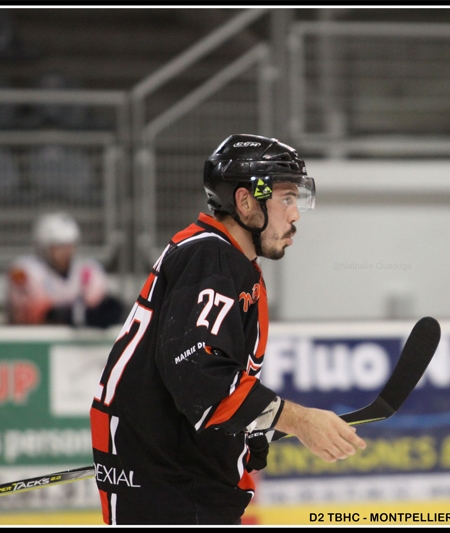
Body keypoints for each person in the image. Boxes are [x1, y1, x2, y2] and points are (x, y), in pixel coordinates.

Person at [89, 134, 366, 525]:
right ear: (245, 201)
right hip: (172, 489)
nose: (295, 215)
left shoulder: (221, 259)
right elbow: (198, 373)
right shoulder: (211, 258)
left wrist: (246, 429)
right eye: (286, 198)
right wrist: (299, 420)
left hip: (178, 478)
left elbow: (194, 382)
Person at [7, 211, 124, 328]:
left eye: (69, 246)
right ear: (44, 248)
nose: (66, 252)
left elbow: (101, 309)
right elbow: (37, 314)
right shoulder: (25, 271)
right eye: (59, 247)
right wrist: (74, 313)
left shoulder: (87, 271)